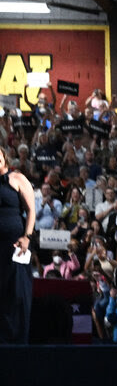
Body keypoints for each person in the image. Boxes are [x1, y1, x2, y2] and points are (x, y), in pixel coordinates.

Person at [0, 147, 35, 343]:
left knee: (16, 292)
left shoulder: (17, 178)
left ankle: (17, 341)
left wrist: (27, 237)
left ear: (4, 158)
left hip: (15, 245)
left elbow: (31, 210)